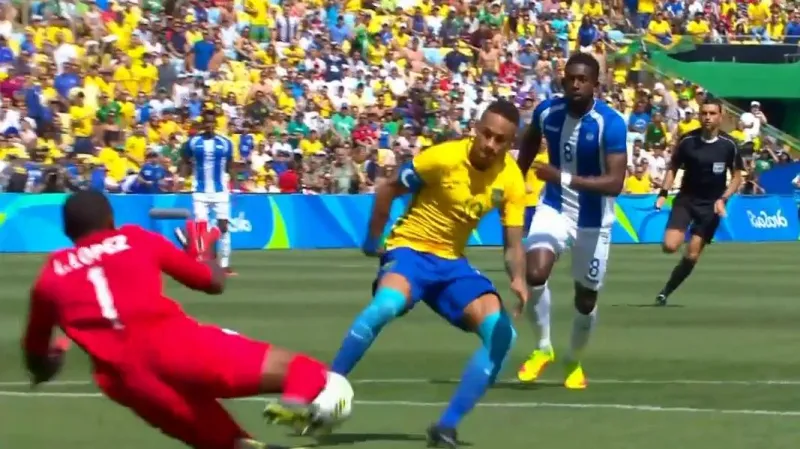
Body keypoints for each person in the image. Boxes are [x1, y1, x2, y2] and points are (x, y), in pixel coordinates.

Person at [21, 190, 350, 449]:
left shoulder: (50, 275)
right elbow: (210, 282)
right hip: (180, 347)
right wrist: (203, 247)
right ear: (111, 218)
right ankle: (292, 404)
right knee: (305, 371)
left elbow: (35, 355)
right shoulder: (135, 238)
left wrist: (48, 365)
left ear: (66, 230)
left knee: (236, 446)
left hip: (130, 383)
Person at [328, 100, 528, 448]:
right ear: (476, 130)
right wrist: (372, 240)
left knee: (502, 336)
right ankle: (324, 390)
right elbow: (388, 188)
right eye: (487, 135)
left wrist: (519, 277)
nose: (491, 145)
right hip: (410, 250)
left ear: (510, 144)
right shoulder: (442, 158)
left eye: (501, 141)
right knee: (385, 306)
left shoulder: (511, 179)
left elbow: (513, 244)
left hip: (452, 264)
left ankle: (446, 427)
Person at [515, 52, 628, 390]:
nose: (576, 84)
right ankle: (543, 348)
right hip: (553, 208)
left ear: (596, 84)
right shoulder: (547, 111)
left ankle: (573, 360)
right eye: (570, 78)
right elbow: (532, 138)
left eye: (583, 79)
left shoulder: (611, 123)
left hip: (594, 220)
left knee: (586, 299)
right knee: (534, 272)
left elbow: (615, 183)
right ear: (562, 80)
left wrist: (560, 176)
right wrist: (516, 177)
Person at [654, 98, 743, 306]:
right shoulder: (687, 141)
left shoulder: (729, 145)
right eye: (704, 113)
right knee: (669, 246)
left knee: (692, 255)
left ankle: (665, 291)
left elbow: (737, 176)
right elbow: (673, 168)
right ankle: (686, 231)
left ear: (720, 117)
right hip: (686, 199)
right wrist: (663, 193)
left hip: (711, 205)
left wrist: (723, 199)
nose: (707, 117)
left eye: (712, 113)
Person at [181, 108, 236, 276]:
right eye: (207, 122)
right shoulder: (193, 142)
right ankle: (202, 261)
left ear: (215, 124)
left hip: (220, 190)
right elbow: (184, 159)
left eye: (212, 122)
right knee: (201, 227)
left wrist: (233, 182)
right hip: (200, 191)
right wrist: (182, 178)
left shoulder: (225, 142)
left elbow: (230, 164)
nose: (210, 125)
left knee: (223, 226)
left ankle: (224, 264)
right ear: (203, 124)